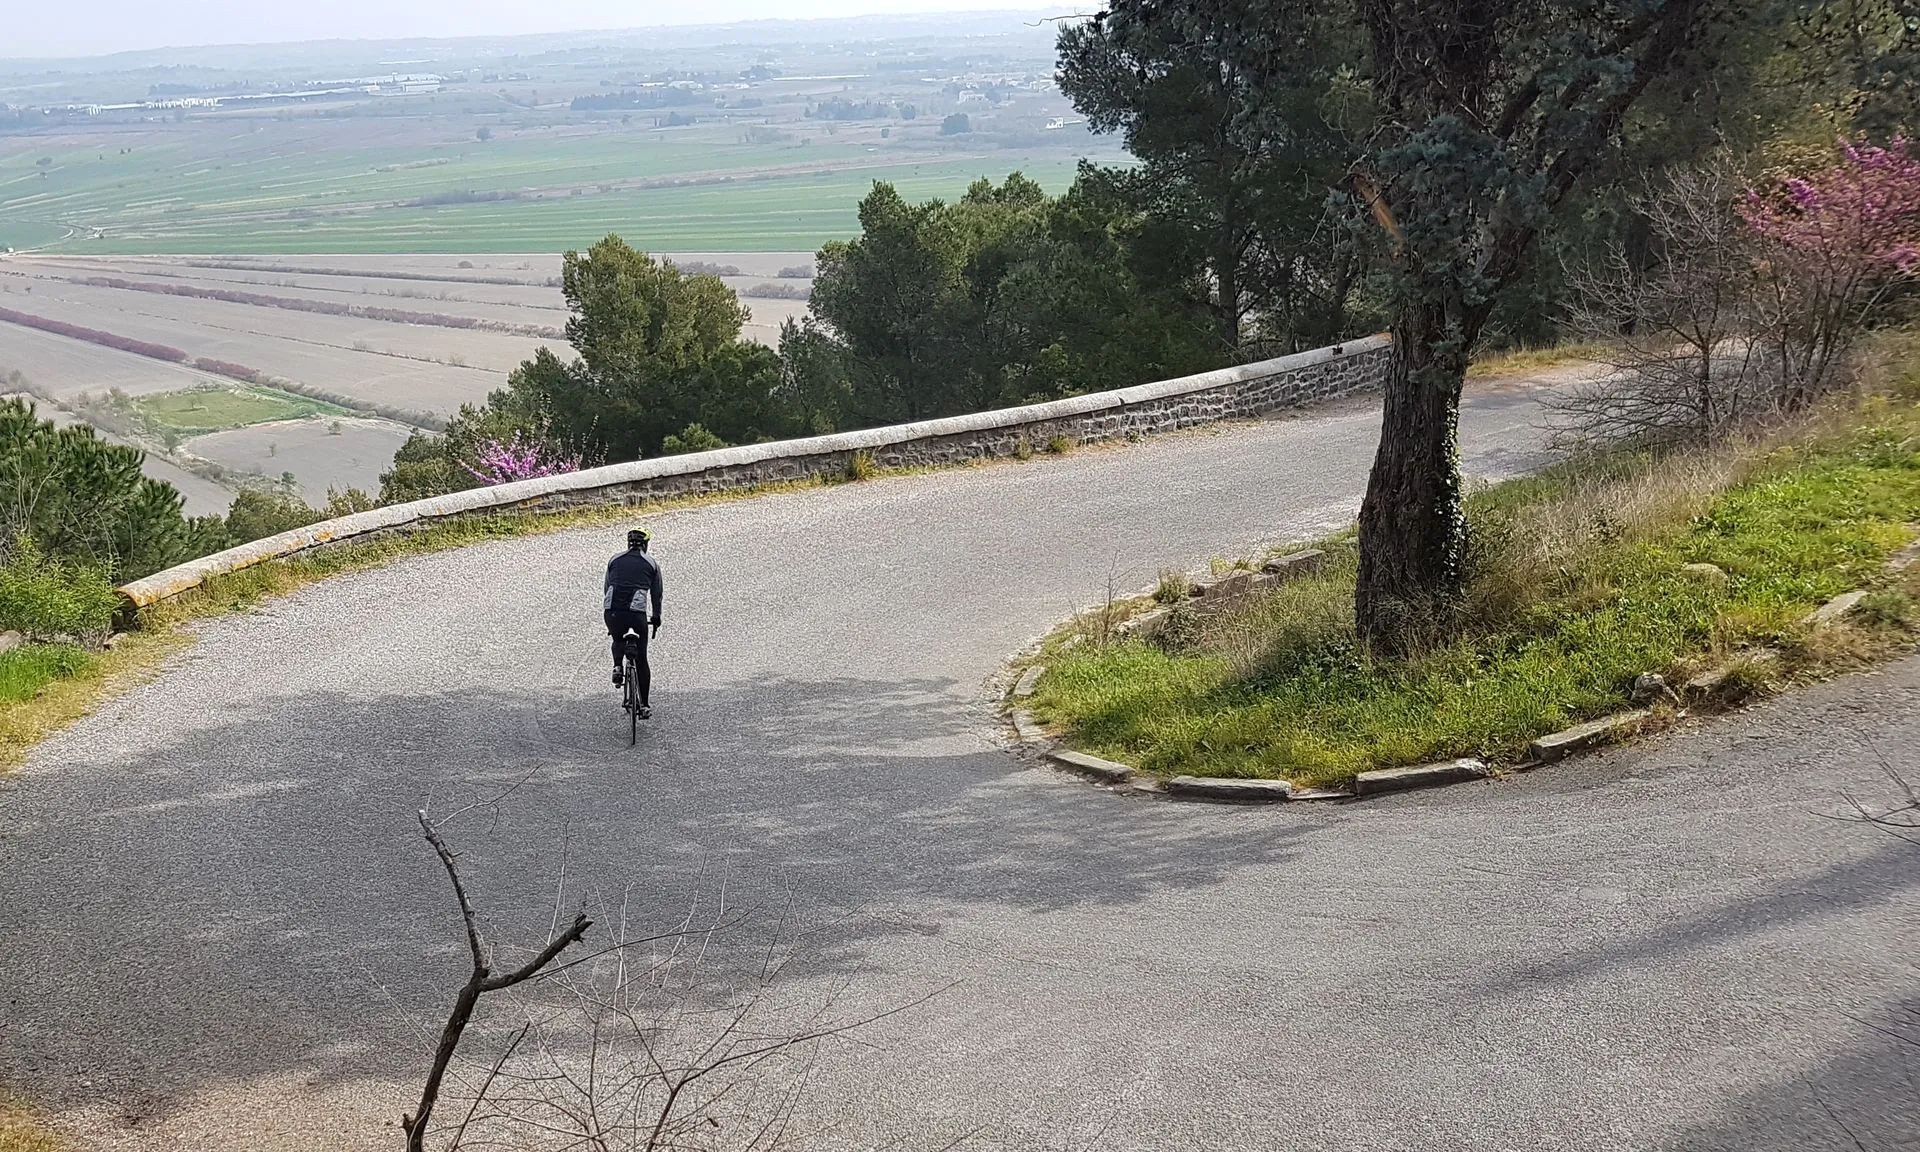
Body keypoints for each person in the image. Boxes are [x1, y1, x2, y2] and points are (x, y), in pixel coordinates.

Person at [604, 528, 662, 716]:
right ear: (646, 543)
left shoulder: (614, 559)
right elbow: (656, 595)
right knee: (642, 658)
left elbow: (607, 588)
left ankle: (617, 666)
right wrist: (656, 618)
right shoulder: (651, 563)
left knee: (618, 639)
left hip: (612, 611)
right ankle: (644, 705)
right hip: (636, 614)